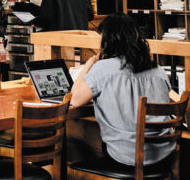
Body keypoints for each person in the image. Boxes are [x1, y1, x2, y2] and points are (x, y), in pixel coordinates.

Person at [70, 13, 172, 166]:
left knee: (79, 153)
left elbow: (74, 99)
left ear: (108, 39)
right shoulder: (158, 71)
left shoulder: (103, 69)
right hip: (163, 156)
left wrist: (91, 62)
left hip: (124, 157)